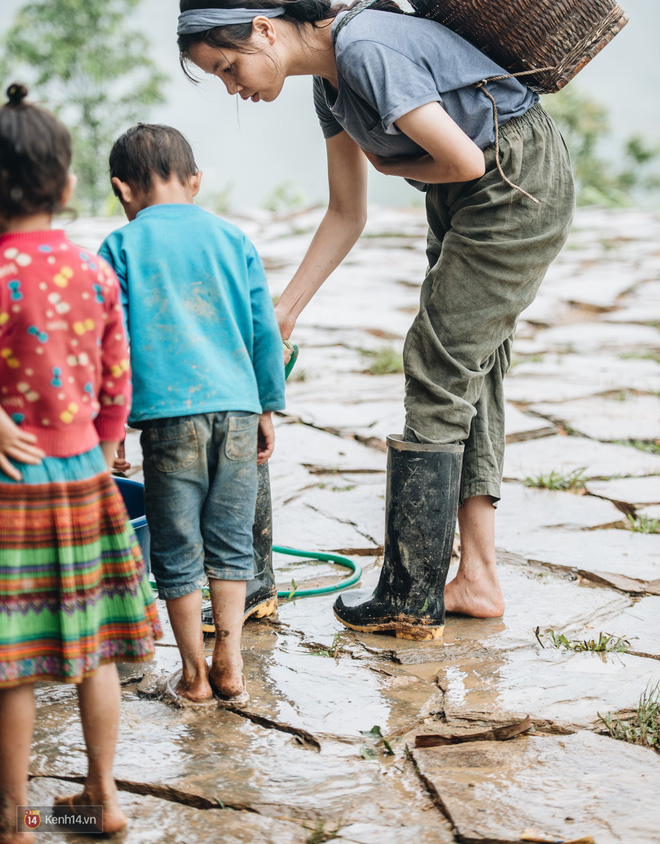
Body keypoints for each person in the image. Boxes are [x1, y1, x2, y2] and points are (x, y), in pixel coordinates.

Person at [177, 0, 575, 640]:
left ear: (263, 28)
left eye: (229, 67)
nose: (233, 87)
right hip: (465, 191)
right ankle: (475, 577)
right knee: (472, 367)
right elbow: (346, 212)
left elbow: (466, 161)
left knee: (438, 363)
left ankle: (411, 592)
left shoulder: (363, 48)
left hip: (510, 183)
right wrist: (285, 313)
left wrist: (391, 164)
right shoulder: (327, 90)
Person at [0, 84, 162, 842]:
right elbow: (116, 378)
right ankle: (103, 799)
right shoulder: (93, 272)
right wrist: (99, 452)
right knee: (95, 650)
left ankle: (16, 817)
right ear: (67, 186)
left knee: (17, 660)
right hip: (84, 476)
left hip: (13, 487)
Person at [98, 124, 286, 707]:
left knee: (176, 550)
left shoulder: (120, 247)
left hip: (169, 421)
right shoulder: (233, 240)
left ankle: (193, 676)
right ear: (196, 181)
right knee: (231, 545)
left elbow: (114, 343)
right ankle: (230, 662)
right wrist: (267, 408)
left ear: (121, 189)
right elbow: (264, 331)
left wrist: (114, 426)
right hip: (235, 410)